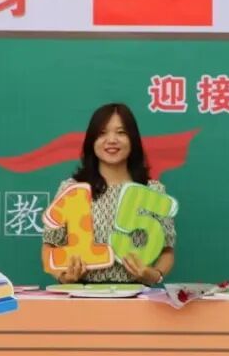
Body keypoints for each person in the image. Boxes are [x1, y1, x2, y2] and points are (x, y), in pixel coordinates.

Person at [42, 102, 176, 285]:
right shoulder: (72, 189)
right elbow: (49, 245)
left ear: (133, 140)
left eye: (121, 132)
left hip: (137, 295)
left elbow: (167, 250)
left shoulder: (152, 190)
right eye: (102, 133)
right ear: (92, 141)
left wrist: (154, 275)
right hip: (82, 294)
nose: (111, 140)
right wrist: (64, 277)